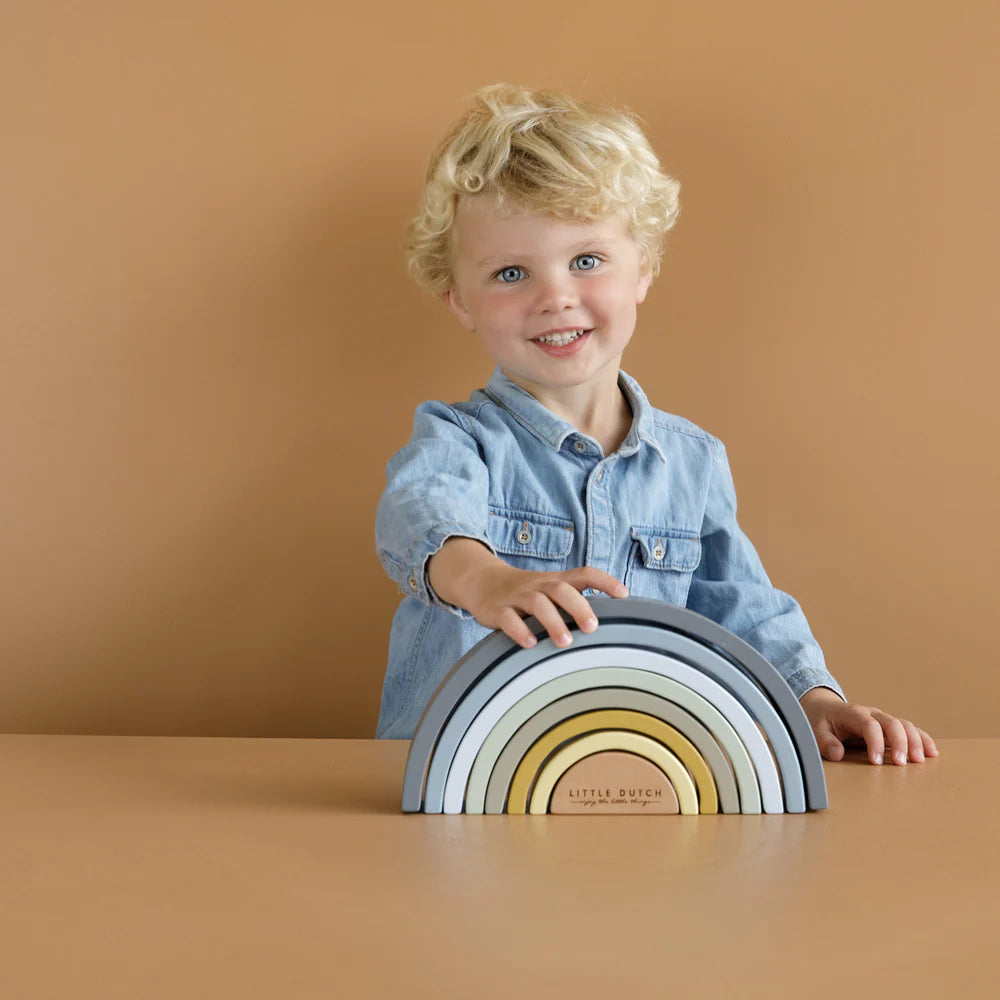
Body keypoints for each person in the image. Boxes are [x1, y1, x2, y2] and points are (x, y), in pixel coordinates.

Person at [374, 82, 937, 768]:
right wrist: (485, 580)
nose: (555, 297)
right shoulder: (458, 438)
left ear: (643, 267)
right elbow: (419, 514)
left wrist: (813, 701)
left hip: (635, 773)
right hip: (463, 776)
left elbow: (744, 606)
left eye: (586, 260)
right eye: (512, 272)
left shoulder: (693, 462)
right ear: (459, 300)